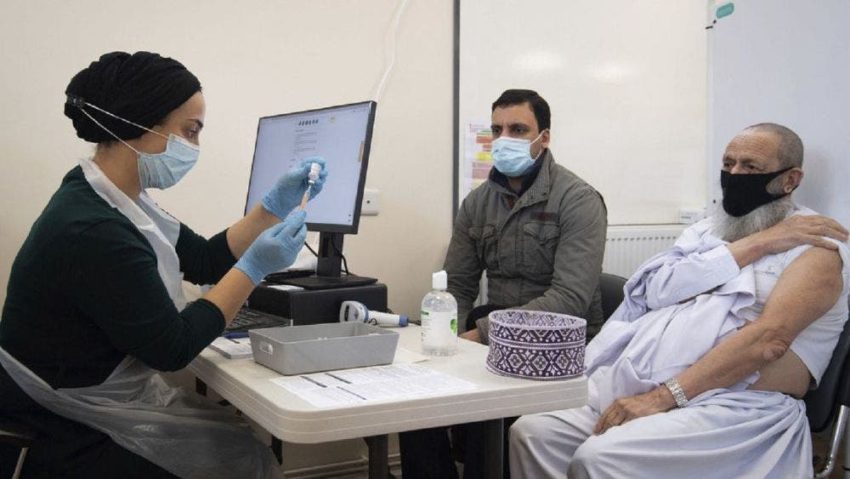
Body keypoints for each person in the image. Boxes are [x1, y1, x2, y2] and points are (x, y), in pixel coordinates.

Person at [0, 51, 327, 478]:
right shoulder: (95, 228)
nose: (194, 147)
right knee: (243, 459)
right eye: (190, 131)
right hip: (54, 425)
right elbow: (173, 348)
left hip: (83, 399)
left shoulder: (112, 197)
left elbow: (204, 259)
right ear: (142, 123)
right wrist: (255, 267)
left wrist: (272, 207)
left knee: (237, 441)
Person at [509, 123, 850, 478]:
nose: (735, 175)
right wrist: (759, 243)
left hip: (737, 403)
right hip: (644, 386)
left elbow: (768, 340)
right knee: (534, 433)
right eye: (728, 164)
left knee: (601, 457)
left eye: (751, 167)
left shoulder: (818, 246)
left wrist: (662, 398)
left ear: (790, 180)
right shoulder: (709, 230)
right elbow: (657, 291)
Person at [399, 89, 607, 479]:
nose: (504, 139)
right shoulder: (478, 203)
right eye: (497, 130)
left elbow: (570, 299)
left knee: (485, 407)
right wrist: (447, 338)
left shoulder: (579, 200)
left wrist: (483, 334)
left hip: (559, 345)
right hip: (492, 337)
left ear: (544, 138)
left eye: (518, 129)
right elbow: (457, 285)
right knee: (414, 398)